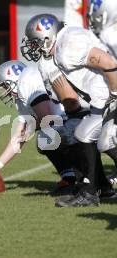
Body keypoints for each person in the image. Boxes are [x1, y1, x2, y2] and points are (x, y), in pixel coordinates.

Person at [21, 13, 117, 207]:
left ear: (47, 37)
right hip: (98, 102)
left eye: (35, 42)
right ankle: (95, 190)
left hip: (109, 97)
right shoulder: (57, 52)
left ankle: (91, 190)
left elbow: (109, 63)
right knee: (83, 133)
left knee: (94, 137)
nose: (32, 47)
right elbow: (71, 102)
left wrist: (115, 95)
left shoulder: (68, 45)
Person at [0, 60, 80, 192]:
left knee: (46, 137)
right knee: (46, 137)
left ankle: (85, 176)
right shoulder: (22, 90)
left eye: (5, 85)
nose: (5, 90)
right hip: (71, 120)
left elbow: (46, 116)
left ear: (11, 79)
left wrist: (29, 129)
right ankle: (70, 176)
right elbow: (19, 134)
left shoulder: (27, 81)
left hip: (78, 119)